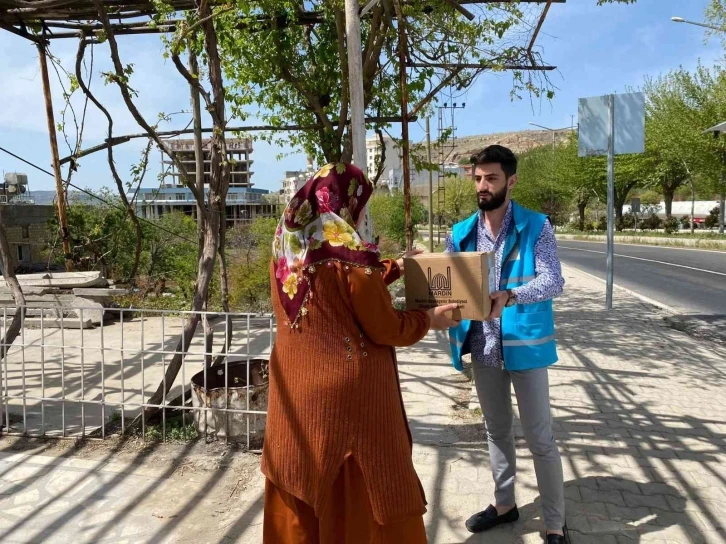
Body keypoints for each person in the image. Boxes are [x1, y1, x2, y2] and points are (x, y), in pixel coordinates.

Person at [262, 162, 459, 543]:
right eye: (362, 204)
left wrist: (395, 267)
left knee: (301, 480)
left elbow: (337, 289)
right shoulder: (350, 254)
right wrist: (428, 319)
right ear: (346, 202)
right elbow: (386, 326)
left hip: (295, 398)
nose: (363, 214)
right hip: (349, 406)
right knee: (368, 492)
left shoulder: (289, 247)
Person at [445, 145, 568, 543]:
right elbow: (449, 285)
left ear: (511, 181)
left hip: (525, 345)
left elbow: (553, 281)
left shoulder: (537, 226)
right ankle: (504, 505)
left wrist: (511, 296)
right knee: (496, 431)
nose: (483, 185)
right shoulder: (461, 234)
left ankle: (554, 522)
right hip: (482, 347)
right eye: (478, 178)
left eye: (492, 178)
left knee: (540, 438)